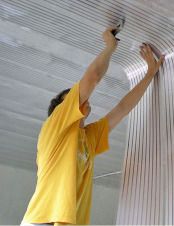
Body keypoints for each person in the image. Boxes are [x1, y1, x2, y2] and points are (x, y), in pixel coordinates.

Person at [20, 27, 164, 225]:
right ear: (62, 109)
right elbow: (92, 78)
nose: (81, 100)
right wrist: (110, 47)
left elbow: (122, 108)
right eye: (72, 100)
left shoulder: (88, 137)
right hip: (43, 219)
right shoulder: (55, 126)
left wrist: (150, 73)